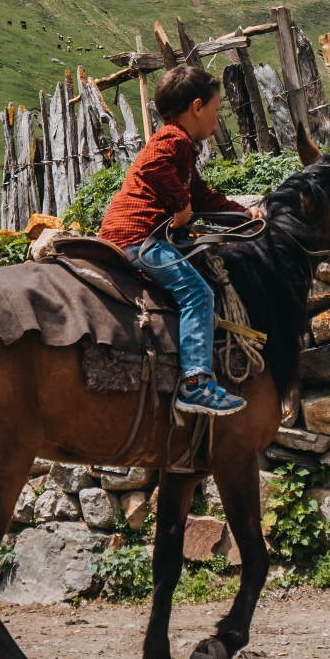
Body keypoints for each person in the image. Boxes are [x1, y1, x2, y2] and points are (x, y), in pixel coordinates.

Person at [98, 65, 252, 416]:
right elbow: (154, 169)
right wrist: (181, 207)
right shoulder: (173, 139)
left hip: (132, 234)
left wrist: (245, 215)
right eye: (216, 108)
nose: (218, 116)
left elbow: (201, 195)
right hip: (139, 236)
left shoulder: (180, 145)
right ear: (197, 107)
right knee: (197, 293)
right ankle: (195, 383)